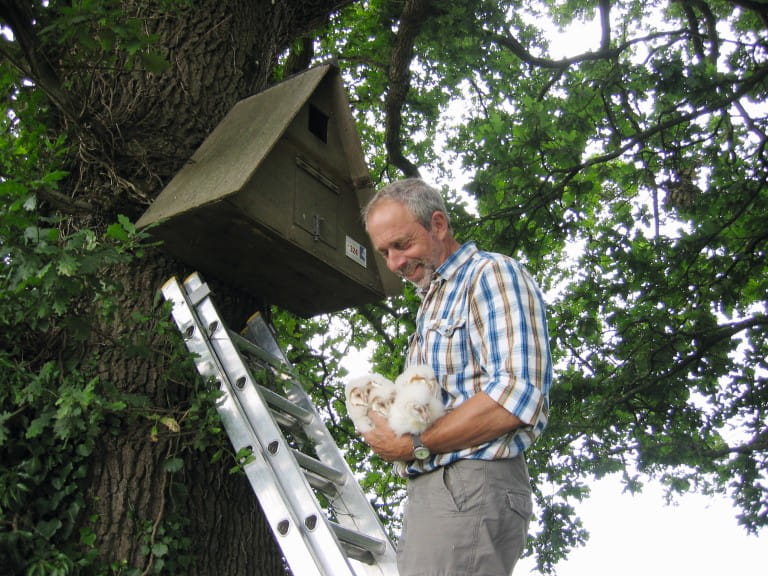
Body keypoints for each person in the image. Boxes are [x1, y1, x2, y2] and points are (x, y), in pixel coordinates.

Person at [361, 178, 552, 576]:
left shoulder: (489, 274)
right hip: (443, 488)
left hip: (469, 483)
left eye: (402, 245)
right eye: (385, 252)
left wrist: (411, 445)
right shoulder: (432, 303)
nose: (394, 263)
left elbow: (516, 394)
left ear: (439, 225)